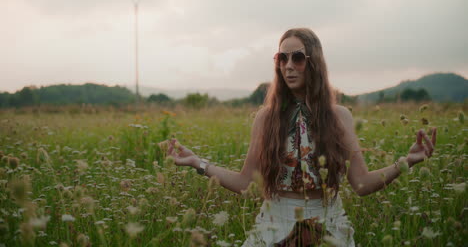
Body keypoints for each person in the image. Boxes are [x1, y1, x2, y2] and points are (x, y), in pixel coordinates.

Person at [165, 28, 437, 246]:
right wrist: (197, 163)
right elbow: (244, 183)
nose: (288, 66)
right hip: (273, 225)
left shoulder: (339, 117)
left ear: (314, 62)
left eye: (297, 57)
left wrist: (407, 161)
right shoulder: (266, 118)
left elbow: (362, 184)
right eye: (282, 58)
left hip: (329, 224)